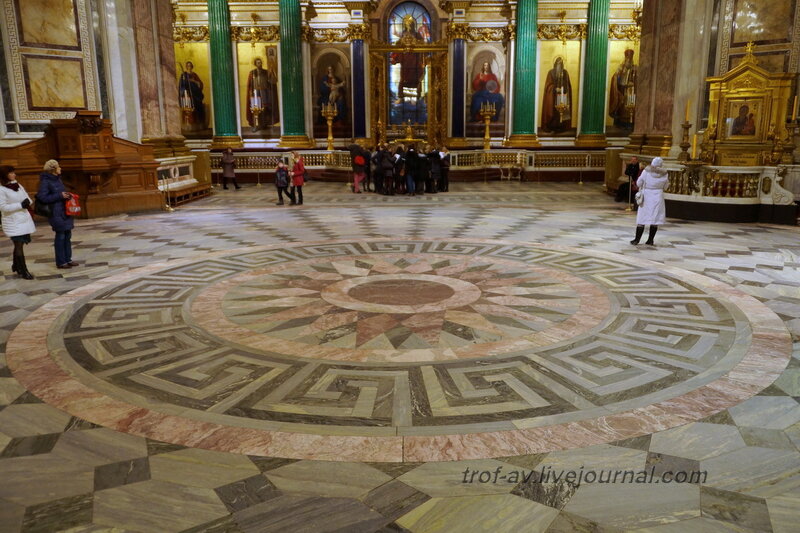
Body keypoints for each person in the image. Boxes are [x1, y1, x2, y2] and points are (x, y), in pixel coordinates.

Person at [36, 159, 77, 269]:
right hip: (55, 212)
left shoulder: (58, 179)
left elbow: (60, 194)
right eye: (59, 167)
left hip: (65, 211)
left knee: (67, 235)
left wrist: (67, 195)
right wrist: (60, 196)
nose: (60, 168)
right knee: (61, 235)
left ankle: (68, 259)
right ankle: (61, 262)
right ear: (53, 169)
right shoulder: (45, 181)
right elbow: (42, 197)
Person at [0, 165, 35, 279]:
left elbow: (28, 198)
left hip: (24, 219)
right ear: (5, 175)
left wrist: (27, 202)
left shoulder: (18, 185)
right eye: (11, 173)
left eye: (13, 172)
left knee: (20, 244)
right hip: (12, 221)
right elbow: (3, 207)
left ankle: (16, 265)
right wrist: (20, 205)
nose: (14, 174)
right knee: (18, 245)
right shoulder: (1, 189)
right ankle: (24, 270)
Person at [630, 157, 669, 246]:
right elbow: (666, 186)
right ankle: (650, 240)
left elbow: (639, 183)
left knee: (642, 218)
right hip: (658, 196)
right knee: (655, 219)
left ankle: (636, 240)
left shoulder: (646, 171)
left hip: (647, 195)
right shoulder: (665, 174)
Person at [541, 56, 573, 133]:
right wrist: (554, 88)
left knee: (562, 113)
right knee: (553, 113)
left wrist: (563, 89)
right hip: (553, 97)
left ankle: (561, 128)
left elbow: (568, 85)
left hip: (563, 97)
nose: (559, 65)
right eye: (558, 64)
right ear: (555, 64)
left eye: (561, 64)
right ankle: (552, 127)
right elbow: (548, 85)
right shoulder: (551, 72)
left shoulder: (565, 72)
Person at [608, 49, 637, 130]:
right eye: (628, 57)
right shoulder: (621, 67)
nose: (629, 59)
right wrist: (618, 77)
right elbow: (616, 77)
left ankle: (630, 124)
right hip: (622, 91)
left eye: (630, 58)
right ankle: (620, 123)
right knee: (622, 107)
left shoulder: (634, 68)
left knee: (630, 107)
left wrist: (633, 81)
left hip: (631, 91)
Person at [246, 57, 277, 130]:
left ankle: (264, 124)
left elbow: (272, 82)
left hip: (265, 93)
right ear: (255, 64)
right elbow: (250, 85)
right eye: (258, 63)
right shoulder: (252, 73)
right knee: (256, 110)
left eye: (260, 62)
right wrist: (251, 93)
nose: (260, 64)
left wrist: (272, 72)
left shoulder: (266, 72)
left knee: (265, 109)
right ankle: (256, 126)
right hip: (256, 93)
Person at [178, 61, 206, 130]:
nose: (189, 67)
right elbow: (181, 85)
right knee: (190, 105)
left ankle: (199, 122)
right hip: (188, 94)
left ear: (192, 66)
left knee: (199, 105)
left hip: (196, 93)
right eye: (188, 66)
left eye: (190, 65)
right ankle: (189, 125)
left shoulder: (194, 75)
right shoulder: (184, 75)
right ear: (186, 67)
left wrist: (194, 81)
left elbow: (200, 84)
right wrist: (186, 83)